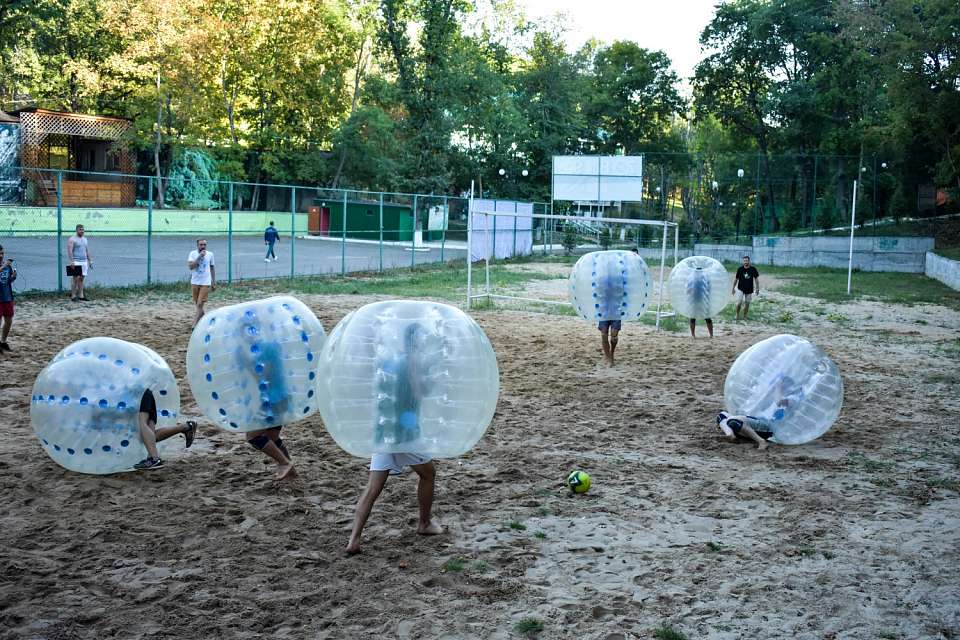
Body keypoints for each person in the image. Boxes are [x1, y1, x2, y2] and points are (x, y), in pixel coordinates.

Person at [345, 324, 443, 554]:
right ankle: (425, 523)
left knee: (373, 488)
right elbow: (421, 392)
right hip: (405, 434)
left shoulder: (391, 361)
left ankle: (353, 540)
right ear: (416, 342)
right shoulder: (413, 364)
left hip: (384, 432)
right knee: (428, 473)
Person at [133, 389, 198, 470]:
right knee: (150, 438)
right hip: (144, 391)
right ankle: (187, 427)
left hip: (138, 391)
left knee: (143, 423)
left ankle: (154, 459)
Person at [187, 239, 216, 328]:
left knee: (200, 304)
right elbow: (191, 267)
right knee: (197, 305)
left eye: (204, 244)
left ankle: (194, 325)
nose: (203, 246)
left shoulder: (210, 254)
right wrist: (199, 256)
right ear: (197, 245)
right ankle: (204, 318)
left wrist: (214, 281)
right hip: (195, 282)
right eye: (201, 244)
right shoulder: (192, 254)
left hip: (206, 282)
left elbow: (212, 268)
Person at [66, 224, 92, 302]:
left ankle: (81, 296)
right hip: (76, 261)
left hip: (84, 261)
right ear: (77, 230)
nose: (82, 231)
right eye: (80, 229)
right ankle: (73, 296)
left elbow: (87, 250)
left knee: (81, 278)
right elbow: (69, 251)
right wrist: (72, 261)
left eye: (83, 229)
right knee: (75, 278)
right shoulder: (72, 239)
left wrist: (90, 261)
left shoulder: (85, 239)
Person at [732, 255, 760, 320]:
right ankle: (737, 315)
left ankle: (745, 316)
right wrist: (733, 288)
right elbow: (736, 279)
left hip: (749, 289)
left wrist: (757, 288)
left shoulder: (753, 269)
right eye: (744, 261)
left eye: (747, 261)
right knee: (739, 302)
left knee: (747, 303)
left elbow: (756, 279)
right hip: (740, 288)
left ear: (749, 261)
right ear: (743, 262)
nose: (745, 262)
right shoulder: (740, 269)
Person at [0, 244, 16, 353]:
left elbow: (8, 280)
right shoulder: (5, 265)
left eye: (2, 253)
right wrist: (5, 265)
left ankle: (3, 341)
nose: (1, 256)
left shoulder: (7, 266)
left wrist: (13, 277)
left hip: (7, 297)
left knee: (9, 320)